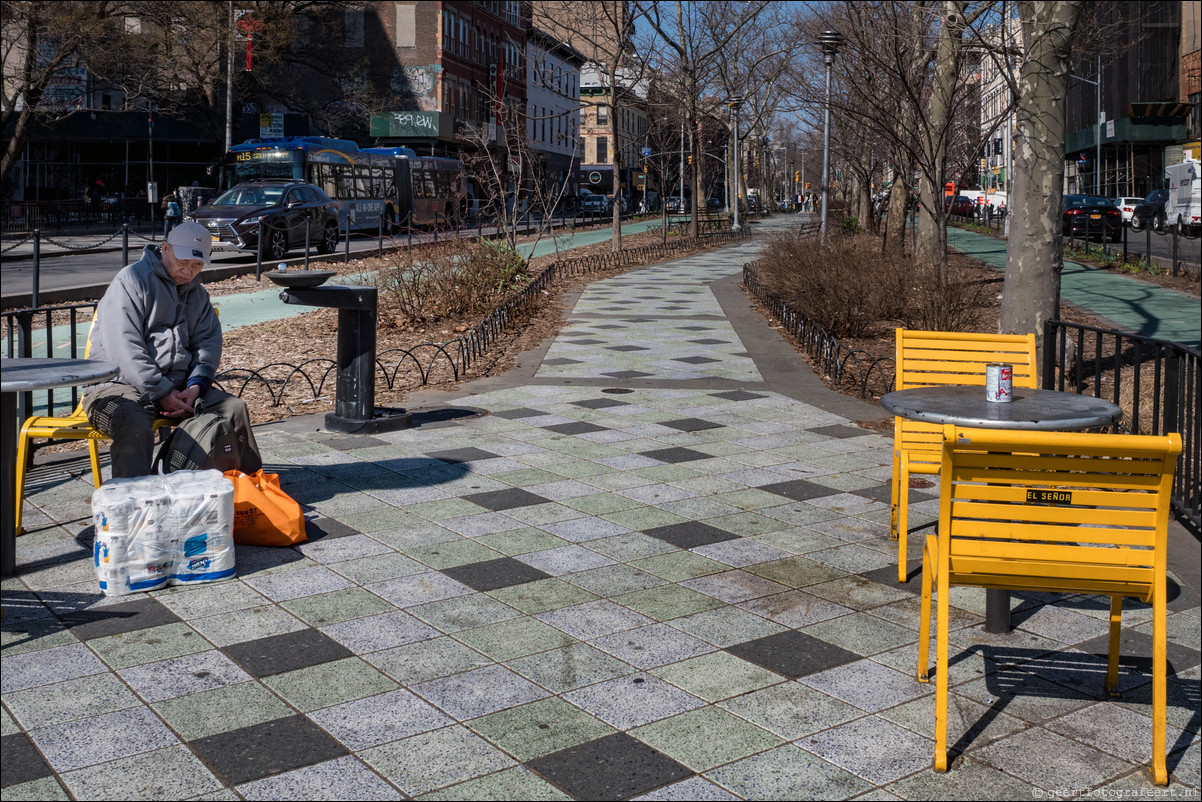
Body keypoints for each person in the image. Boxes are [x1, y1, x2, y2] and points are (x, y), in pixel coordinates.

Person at [83, 222, 262, 478]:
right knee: (133, 423)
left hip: (178, 389)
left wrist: (195, 387)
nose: (188, 271)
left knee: (233, 409)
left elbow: (207, 343)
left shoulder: (198, 296)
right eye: (183, 262)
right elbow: (124, 346)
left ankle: (250, 492)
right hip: (115, 386)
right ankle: (135, 506)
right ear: (164, 248)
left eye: (197, 266)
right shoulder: (131, 281)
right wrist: (161, 390)